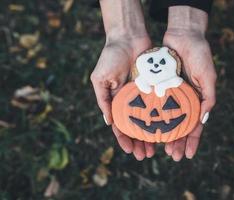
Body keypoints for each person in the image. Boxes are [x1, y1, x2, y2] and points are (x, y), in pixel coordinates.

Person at [90, 0, 217, 161]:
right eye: (138, 102)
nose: (155, 114)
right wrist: (121, 36)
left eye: (171, 103)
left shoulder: (177, 87)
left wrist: (187, 28)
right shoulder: (135, 88)